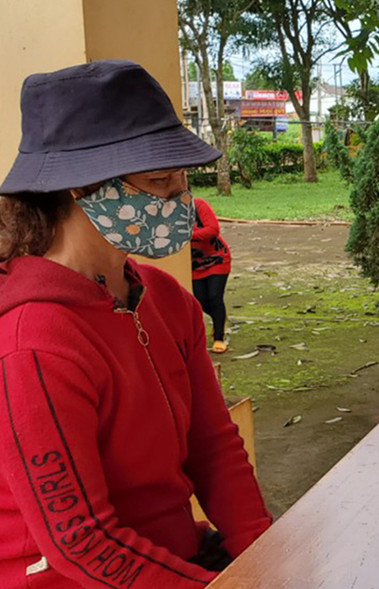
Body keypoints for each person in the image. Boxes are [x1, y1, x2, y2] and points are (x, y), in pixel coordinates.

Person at [0, 60, 272, 587]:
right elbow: (79, 544)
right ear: (80, 188)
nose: (179, 198)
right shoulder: (30, 345)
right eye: (157, 180)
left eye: (181, 178)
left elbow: (214, 448)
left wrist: (271, 559)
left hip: (175, 559)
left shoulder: (165, 298)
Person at [192, 197, 232, 354]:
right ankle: (220, 317)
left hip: (217, 258)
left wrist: (186, 235)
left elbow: (213, 229)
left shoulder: (198, 205)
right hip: (193, 265)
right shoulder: (163, 213)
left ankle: (219, 337)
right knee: (200, 300)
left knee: (214, 297)